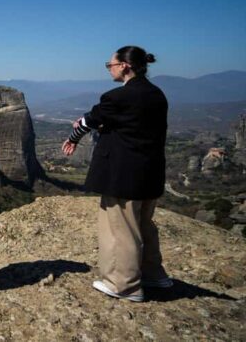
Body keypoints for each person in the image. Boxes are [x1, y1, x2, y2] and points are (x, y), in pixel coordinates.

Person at [62, 46, 171, 303]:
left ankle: (125, 285)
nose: (108, 68)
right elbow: (128, 124)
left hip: (123, 175)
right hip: (150, 172)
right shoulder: (157, 94)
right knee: (144, 225)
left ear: (124, 66)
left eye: (110, 64)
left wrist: (73, 137)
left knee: (121, 230)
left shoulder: (118, 97)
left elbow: (88, 121)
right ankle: (154, 274)